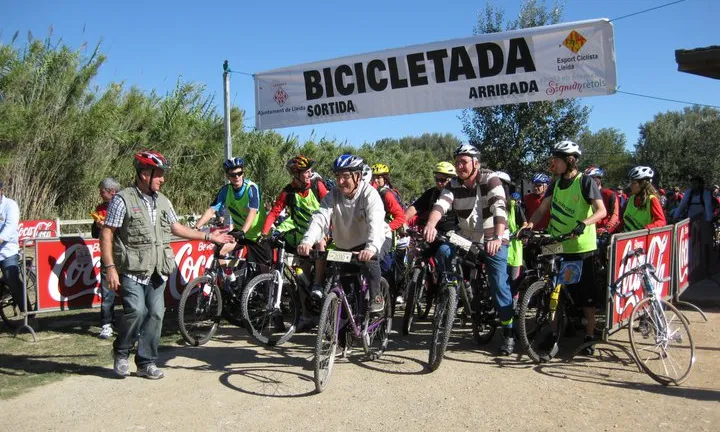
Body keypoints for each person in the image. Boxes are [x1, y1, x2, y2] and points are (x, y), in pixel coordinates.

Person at [100, 151, 233, 379]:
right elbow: (107, 234)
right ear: (144, 174)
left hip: (157, 269)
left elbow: (176, 228)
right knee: (136, 311)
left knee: (156, 314)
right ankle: (121, 352)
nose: (163, 179)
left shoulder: (163, 201)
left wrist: (209, 237)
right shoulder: (122, 200)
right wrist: (110, 267)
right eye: (159, 175)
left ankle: (146, 362)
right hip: (132, 269)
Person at [423, 144, 515, 356]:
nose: (459, 166)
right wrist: (430, 225)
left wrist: (497, 237)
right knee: (444, 251)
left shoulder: (490, 180)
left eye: (463, 162)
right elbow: (441, 205)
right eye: (457, 162)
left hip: (493, 236)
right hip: (466, 237)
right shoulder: (454, 183)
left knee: (498, 283)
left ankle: (509, 331)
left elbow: (500, 208)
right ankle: (454, 289)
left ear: (476, 163)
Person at [518, 140, 607, 356]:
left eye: (556, 159)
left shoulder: (585, 182)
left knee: (585, 294)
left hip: (580, 246)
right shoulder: (555, 184)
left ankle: (588, 335)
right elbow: (542, 209)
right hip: (557, 243)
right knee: (552, 289)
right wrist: (529, 224)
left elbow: (601, 211)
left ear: (569, 160)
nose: (553, 163)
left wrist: (584, 224)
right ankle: (554, 331)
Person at [297, 154, 392, 313]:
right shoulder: (332, 195)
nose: (340, 182)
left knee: (370, 263)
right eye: (337, 176)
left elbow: (375, 222)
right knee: (344, 284)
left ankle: (376, 297)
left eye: (345, 176)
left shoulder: (370, 194)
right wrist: (307, 241)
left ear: (358, 176)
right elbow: (320, 218)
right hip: (347, 244)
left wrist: (371, 248)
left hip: (376, 239)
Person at [261, 155, 329, 325]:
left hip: (320, 230)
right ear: (296, 174)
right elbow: (275, 212)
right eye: (306, 171)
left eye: (309, 170)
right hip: (301, 237)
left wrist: (330, 230)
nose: (310, 173)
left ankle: (318, 285)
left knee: (320, 243)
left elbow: (331, 206)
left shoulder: (316, 185)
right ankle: (307, 316)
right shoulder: (288, 191)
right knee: (301, 277)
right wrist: (264, 232)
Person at [195, 157, 271, 264]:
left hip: (257, 235)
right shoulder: (226, 190)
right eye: (233, 175)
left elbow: (252, 212)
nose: (237, 177)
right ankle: (227, 278)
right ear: (228, 177)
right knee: (219, 249)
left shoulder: (252, 188)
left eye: (239, 173)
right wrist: (196, 227)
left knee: (264, 272)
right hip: (240, 233)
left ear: (243, 173)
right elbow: (212, 210)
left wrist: (242, 231)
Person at [370, 163, 407, 302]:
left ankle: (388, 301)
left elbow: (401, 217)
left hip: (387, 237)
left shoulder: (387, 194)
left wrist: (387, 227)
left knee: (385, 270)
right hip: (373, 234)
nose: (377, 180)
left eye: (380, 177)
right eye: (375, 177)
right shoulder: (371, 191)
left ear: (385, 178)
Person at [91, 177, 122, 339]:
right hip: (107, 253)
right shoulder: (100, 208)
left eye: (102, 191)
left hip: (124, 253)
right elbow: (94, 234)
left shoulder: (125, 205)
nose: (100, 193)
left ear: (112, 192)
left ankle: (130, 323)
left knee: (129, 290)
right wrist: (98, 227)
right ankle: (106, 323)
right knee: (107, 289)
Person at [495, 171, 526, 309]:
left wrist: (521, 232)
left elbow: (524, 223)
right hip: (495, 249)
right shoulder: (488, 204)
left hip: (513, 251)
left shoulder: (514, 206)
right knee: (498, 281)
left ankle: (512, 308)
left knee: (514, 282)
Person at [0, 180, 25, 317]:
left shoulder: (10, 205)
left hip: (7, 250)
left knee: (13, 281)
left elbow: (10, 227)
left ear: (1, 191)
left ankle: (29, 315)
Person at [620, 166, 666, 231]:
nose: (630, 185)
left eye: (633, 183)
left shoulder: (652, 200)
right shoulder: (632, 198)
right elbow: (625, 220)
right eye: (630, 182)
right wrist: (611, 231)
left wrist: (644, 230)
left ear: (643, 184)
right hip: (627, 238)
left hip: (640, 239)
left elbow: (661, 221)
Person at [584, 167, 620, 235]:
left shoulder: (609, 194)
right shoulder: (585, 194)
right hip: (588, 230)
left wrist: (607, 228)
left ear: (598, 179)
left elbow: (615, 214)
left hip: (604, 232)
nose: (588, 182)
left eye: (591, 179)